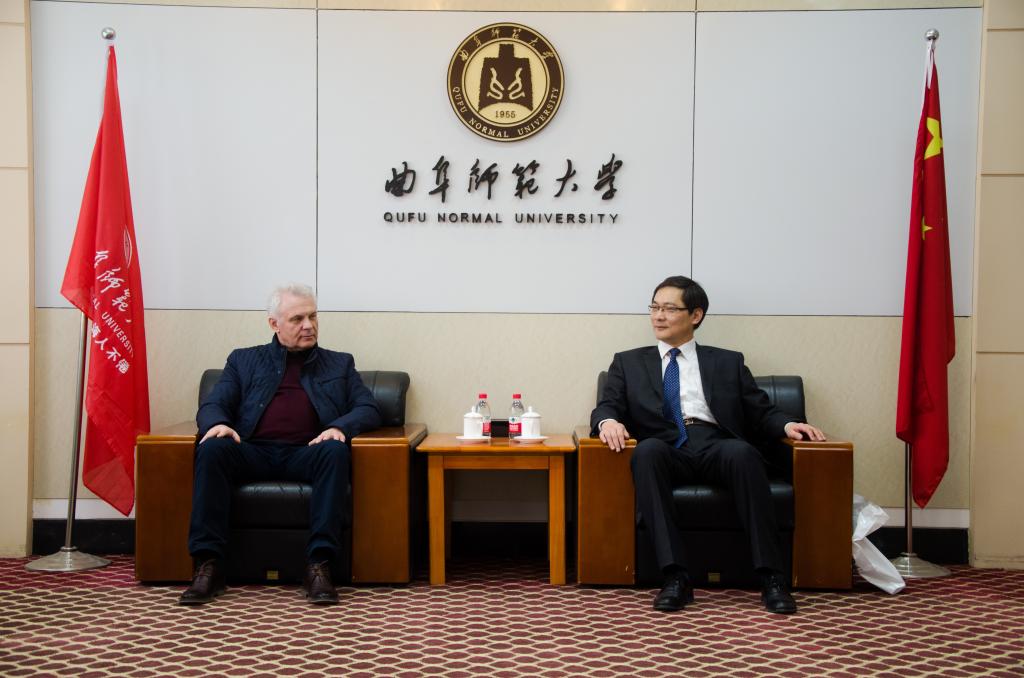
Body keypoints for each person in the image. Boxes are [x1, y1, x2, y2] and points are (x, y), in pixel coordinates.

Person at [590, 275, 825, 614]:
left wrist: (788, 424)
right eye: (654, 307)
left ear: (695, 315)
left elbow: (759, 410)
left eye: (669, 309)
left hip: (716, 442)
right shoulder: (628, 362)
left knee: (744, 454)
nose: (658, 316)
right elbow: (607, 405)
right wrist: (608, 422)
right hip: (665, 445)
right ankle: (675, 577)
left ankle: (772, 578)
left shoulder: (727, 361)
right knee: (646, 453)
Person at [180, 283, 381, 606]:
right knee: (213, 447)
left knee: (334, 450)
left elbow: (367, 408)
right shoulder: (243, 360)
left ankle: (319, 565)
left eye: (313, 316)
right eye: (297, 319)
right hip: (252, 451)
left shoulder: (339, 364)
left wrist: (338, 428)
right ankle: (209, 565)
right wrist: (217, 423)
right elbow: (214, 404)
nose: (309, 325)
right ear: (274, 323)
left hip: (308, 452)